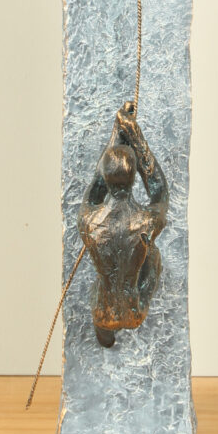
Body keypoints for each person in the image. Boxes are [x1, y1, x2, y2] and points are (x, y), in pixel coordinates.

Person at [78, 102, 169, 347]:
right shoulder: (147, 221)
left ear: (107, 178)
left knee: (108, 275)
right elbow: (159, 191)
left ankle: (105, 333)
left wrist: (118, 132)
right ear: (134, 178)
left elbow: (96, 186)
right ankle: (115, 328)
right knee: (152, 252)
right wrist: (134, 135)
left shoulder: (88, 220)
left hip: (102, 313)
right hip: (135, 311)